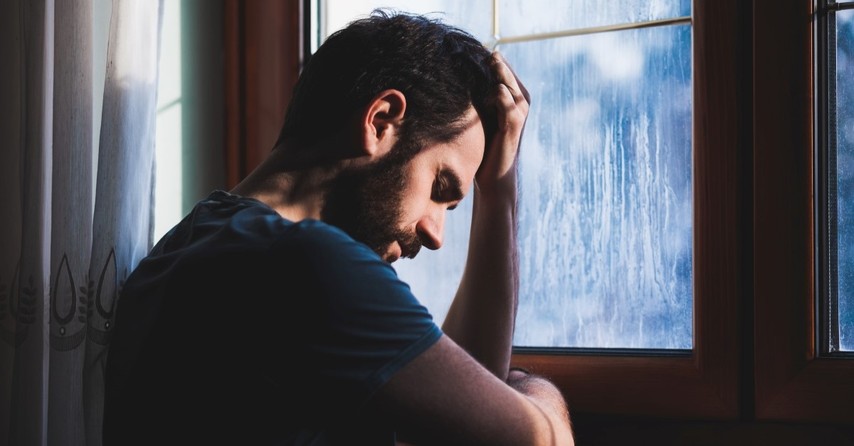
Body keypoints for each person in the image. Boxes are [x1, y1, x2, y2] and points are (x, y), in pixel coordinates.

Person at [102, 9, 574, 446]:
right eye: (440, 186)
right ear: (381, 120)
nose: (435, 234)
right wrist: (533, 389)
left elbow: (458, 416)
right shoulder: (310, 263)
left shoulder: (189, 244)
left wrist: (497, 192)